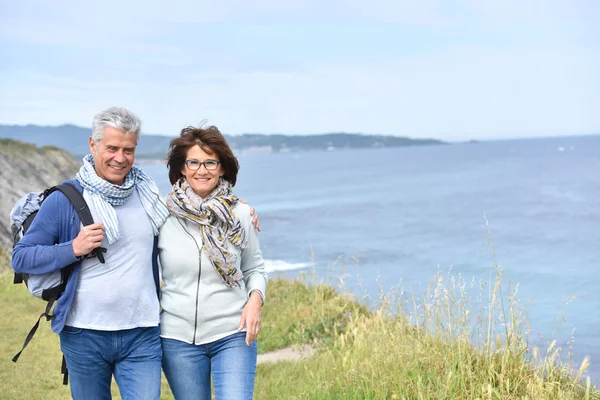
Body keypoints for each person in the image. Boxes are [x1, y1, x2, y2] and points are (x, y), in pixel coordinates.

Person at [12, 106, 171, 400]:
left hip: (142, 333)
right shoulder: (65, 199)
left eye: (129, 149)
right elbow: (21, 258)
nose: (120, 158)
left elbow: (182, 227)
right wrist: (73, 248)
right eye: (112, 148)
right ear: (93, 144)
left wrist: (240, 213)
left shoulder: (148, 195)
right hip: (84, 334)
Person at [159, 125, 268, 400]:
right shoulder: (162, 215)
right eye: (193, 162)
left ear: (222, 168)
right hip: (177, 339)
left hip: (233, 334)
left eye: (210, 162)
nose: (202, 170)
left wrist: (255, 300)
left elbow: (254, 268)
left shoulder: (241, 214)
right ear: (182, 168)